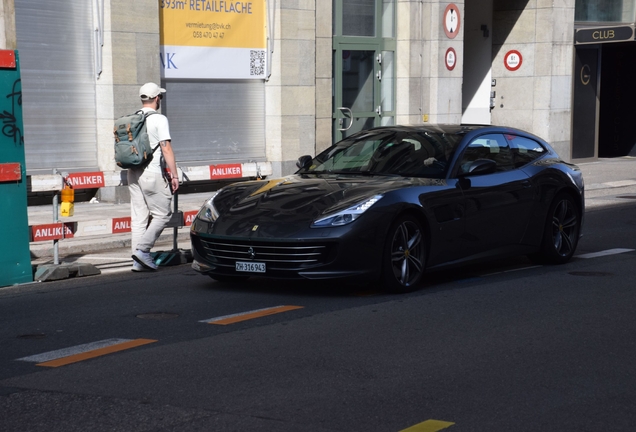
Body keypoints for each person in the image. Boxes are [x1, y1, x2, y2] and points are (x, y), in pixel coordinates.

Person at [129, 82, 180, 272]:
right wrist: (174, 175)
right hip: (151, 173)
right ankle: (143, 250)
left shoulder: (134, 117)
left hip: (133, 172)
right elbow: (166, 148)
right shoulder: (159, 119)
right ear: (157, 98)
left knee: (139, 218)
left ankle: (137, 261)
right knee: (163, 214)